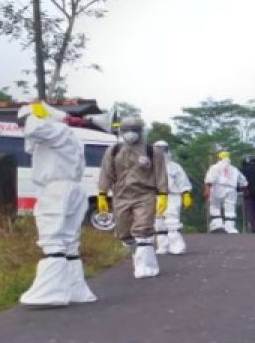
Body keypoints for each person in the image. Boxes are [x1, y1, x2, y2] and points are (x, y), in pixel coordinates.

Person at [18, 102, 98, 307]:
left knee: (53, 240)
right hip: (72, 189)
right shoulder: (68, 134)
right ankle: (74, 289)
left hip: (55, 189)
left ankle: (49, 292)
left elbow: (33, 128)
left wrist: (34, 112)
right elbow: (31, 142)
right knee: (69, 244)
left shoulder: (56, 130)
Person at [98, 115, 167, 279]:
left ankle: (146, 267)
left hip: (145, 195)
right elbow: (106, 172)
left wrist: (163, 194)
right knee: (124, 233)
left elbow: (161, 173)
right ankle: (138, 255)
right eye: (127, 130)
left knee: (142, 229)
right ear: (121, 132)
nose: (131, 134)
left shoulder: (152, 151)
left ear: (141, 131)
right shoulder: (113, 151)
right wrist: (102, 193)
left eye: (134, 130)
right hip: (121, 196)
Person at [152, 140, 193, 255]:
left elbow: (183, 181)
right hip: (155, 196)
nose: (161, 152)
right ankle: (162, 245)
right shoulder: (149, 166)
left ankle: (176, 245)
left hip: (172, 196)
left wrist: (186, 193)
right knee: (158, 222)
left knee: (172, 221)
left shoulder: (174, 166)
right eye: (158, 149)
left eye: (163, 149)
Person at [204, 151, 247, 233]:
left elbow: (210, 178)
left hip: (217, 187)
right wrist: (245, 190)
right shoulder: (234, 169)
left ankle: (217, 225)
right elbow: (243, 181)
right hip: (231, 189)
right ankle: (230, 227)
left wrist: (207, 189)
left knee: (215, 206)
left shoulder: (215, 167)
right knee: (230, 208)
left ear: (219, 158)